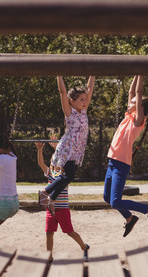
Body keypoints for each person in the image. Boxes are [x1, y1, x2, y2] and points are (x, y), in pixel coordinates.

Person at [103, 75, 148, 237]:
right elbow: (131, 91)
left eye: (133, 102)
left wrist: (141, 72)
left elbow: (138, 91)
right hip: (112, 162)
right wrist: (135, 72)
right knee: (108, 198)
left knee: (116, 201)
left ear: (140, 108)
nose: (129, 103)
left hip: (121, 165)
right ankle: (129, 218)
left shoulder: (137, 121)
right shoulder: (128, 117)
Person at [38, 75, 95, 215]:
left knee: (68, 177)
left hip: (77, 150)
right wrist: (59, 74)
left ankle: (52, 198)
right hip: (68, 149)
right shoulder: (70, 113)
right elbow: (62, 92)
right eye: (81, 100)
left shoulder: (84, 111)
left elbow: (90, 89)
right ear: (72, 101)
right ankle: (45, 192)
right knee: (69, 177)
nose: (84, 102)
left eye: (85, 99)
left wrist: (93, 73)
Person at [35, 141, 90, 261]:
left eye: (57, 160)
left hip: (62, 209)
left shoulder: (64, 174)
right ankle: (49, 257)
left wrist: (57, 149)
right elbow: (40, 163)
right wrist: (39, 149)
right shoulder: (50, 173)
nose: (55, 162)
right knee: (49, 232)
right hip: (50, 209)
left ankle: (84, 247)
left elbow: (63, 158)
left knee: (69, 232)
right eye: (53, 160)